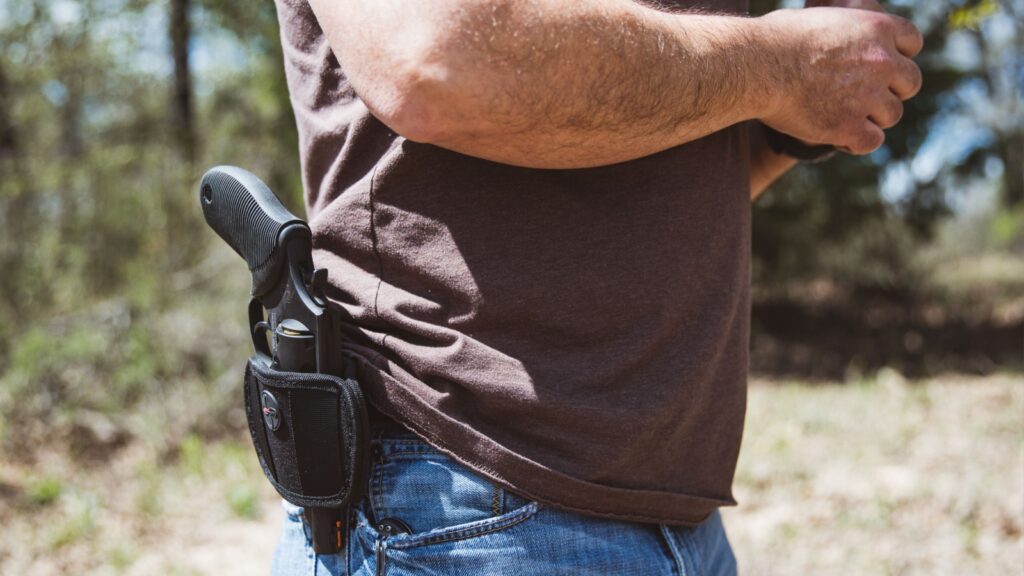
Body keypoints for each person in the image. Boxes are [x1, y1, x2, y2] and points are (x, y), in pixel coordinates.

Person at [268, 0, 922, 574]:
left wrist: (799, 116)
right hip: (464, 493)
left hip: (676, 515)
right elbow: (439, 62)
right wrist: (782, 65)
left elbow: (655, 190)